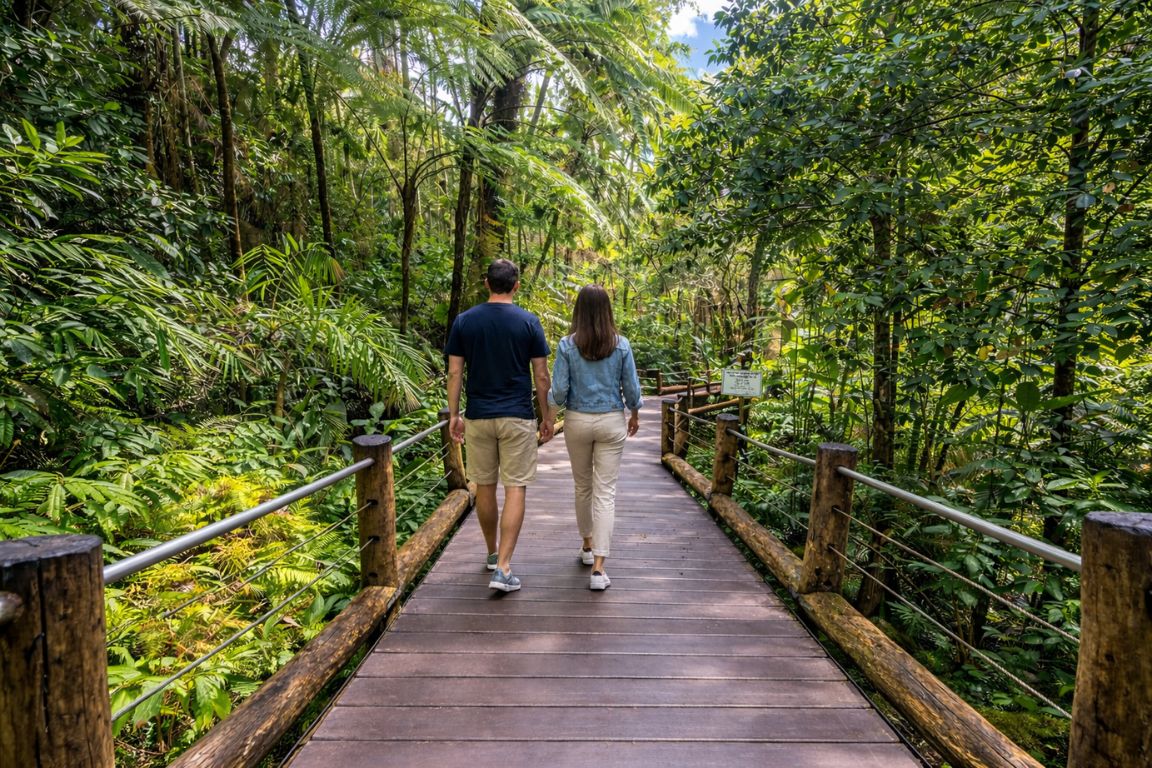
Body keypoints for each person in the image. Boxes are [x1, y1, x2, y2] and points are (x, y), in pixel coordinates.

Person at [445, 259, 554, 592]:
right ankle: (504, 567)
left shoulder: (465, 322)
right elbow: (541, 375)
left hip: (478, 415)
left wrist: (454, 414)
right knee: (515, 487)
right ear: (516, 285)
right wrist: (547, 414)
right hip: (517, 417)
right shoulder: (528, 322)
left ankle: (492, 553)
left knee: (485, 486)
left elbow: (455, 372)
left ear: (486, 282)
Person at [549, 284, 642, 591]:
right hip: (611, 421)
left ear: (579, 310)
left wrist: (549, 405)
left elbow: (560, 393)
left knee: (582, 486)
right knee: (606, 492)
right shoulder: (622, 345)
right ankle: (599, 570)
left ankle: (587, 546)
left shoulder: (566, 345)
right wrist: (635, 414)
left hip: (576, 420)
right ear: (607, 310)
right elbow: (632, 391)